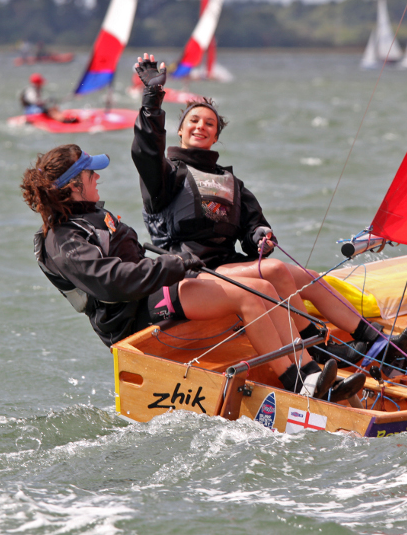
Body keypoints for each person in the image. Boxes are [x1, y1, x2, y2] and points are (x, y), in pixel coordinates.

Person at [130, 54, 407, 371]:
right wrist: (152, 101)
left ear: (215, 136)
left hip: (231, 265)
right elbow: (147, 149)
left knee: (306, 278)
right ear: (181, 131)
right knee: (277, 272)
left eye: (209, 124)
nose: (201, 126)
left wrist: (260, 236)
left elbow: (254, 227)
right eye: (194, 121)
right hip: (193, 272)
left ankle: (374, 341)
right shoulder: (164, 176)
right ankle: (320, 348)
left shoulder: (231, 182)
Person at [20, 143, 365, 402]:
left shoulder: (88, 218)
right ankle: (299, 387)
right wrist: (174, 264)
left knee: (262, 287)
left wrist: (177, 266)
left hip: (151, 293)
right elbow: (112, 283)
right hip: (132, 317)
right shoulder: (63, 239)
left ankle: (312, 373)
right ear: (72, 186)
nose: (97, 177)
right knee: (247, 298)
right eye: (90, 173)